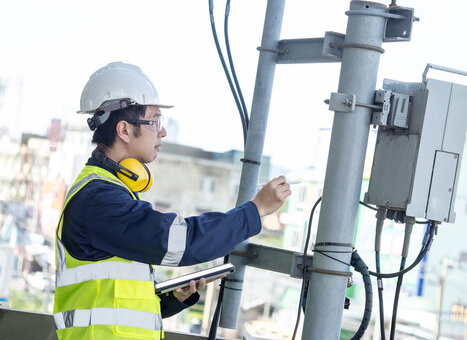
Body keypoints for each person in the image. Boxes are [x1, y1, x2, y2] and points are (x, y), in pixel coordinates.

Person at [53, 62, 291, 340]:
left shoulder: (109, 193)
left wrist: (173, 298)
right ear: (125, 130)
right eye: (154, 121)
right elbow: (181, 242)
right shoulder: (100, 201)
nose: (162, 132)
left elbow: (113, 306)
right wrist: (256, 209)